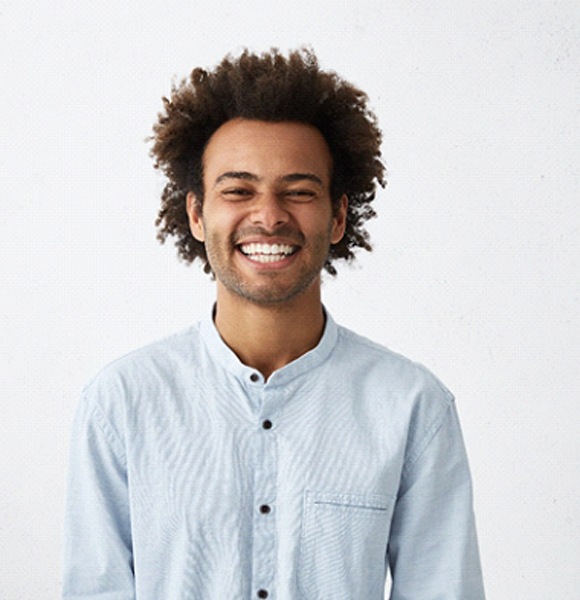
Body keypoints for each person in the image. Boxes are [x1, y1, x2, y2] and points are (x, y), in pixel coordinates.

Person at [63, 48, 485, 599]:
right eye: (238, 190)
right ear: (196, 214)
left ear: (337, 216)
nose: (269, 215)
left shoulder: (412, 407)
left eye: (300, 191)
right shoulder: (120, 403)